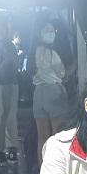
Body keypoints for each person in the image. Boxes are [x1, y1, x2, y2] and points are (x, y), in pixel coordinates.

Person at [32, 21, 70, 166]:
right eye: (47, 30)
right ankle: (58, 169)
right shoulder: (52, 53)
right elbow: (62, 74)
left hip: (38, 93)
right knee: (58, 135)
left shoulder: (33, 52)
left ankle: (43, 170)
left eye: (52, 30)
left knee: (42, 138)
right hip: (53, 92)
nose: (51, 33)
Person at [0, 20, 20, 164]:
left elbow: (7, 62)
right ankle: (11, 151)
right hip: (10, 84)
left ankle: (0, 152)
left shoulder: (4, 44)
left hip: (3, 85)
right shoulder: (9, 45)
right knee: (9, 118)